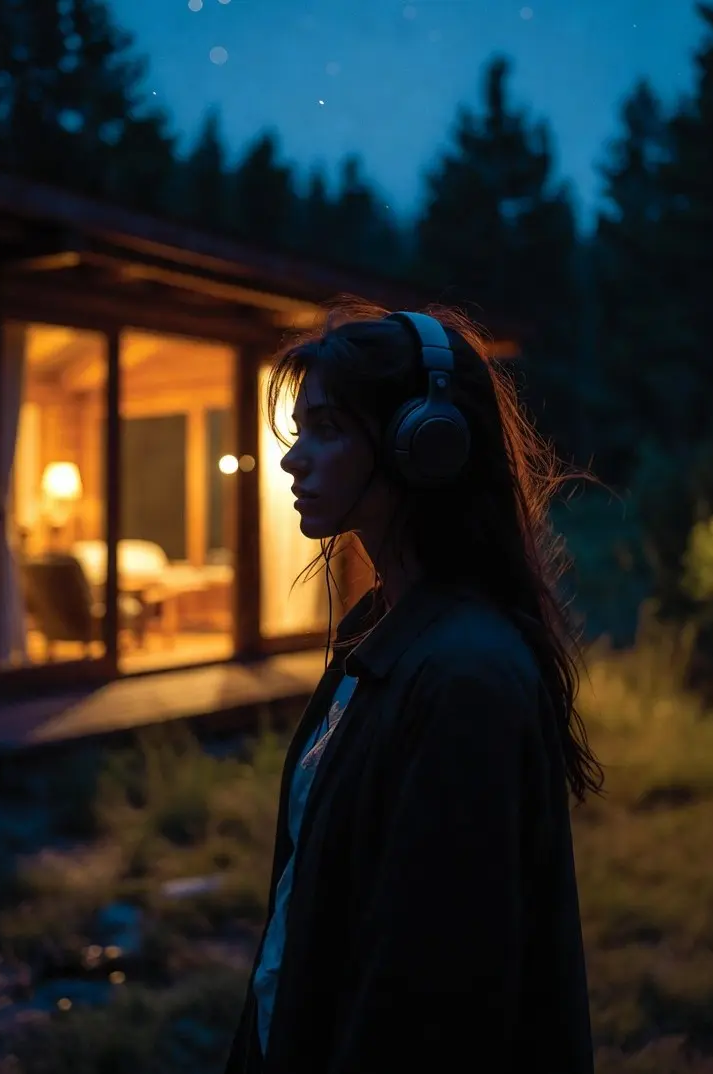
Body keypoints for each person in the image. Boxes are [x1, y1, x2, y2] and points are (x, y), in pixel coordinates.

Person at [224, 299, 602, 1074]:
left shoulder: (465, 677)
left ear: (426, 444)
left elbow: (435, 1006)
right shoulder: (383, 633)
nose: (295, 459)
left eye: (326, 429)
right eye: (299, 432)